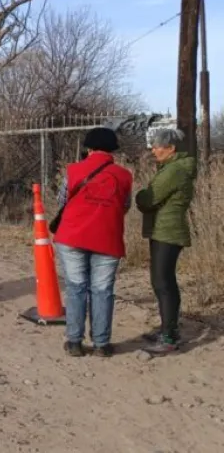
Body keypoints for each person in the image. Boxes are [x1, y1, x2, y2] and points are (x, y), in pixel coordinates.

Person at [52, 127, 133, 358]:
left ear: (88, 148)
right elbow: (125, 206)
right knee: (103, 290)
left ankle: (75, 342)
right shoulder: (125, 175)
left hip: (72, 235)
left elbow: (62, 199)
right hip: (107, 238)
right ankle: (101, 344)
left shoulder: (74, 170)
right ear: (113, 150)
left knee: (76, 288)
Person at [135, 128, 197, 355]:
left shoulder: (174, 171)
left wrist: (140, 195)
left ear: (171, 149)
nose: (154, 149)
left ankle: (169, 337)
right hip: (164, 231)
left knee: (163, 284)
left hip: (168, 233)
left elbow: (148, 200)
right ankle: (168, 329)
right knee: (163, 282)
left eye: (158, 145)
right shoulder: (173, 168)